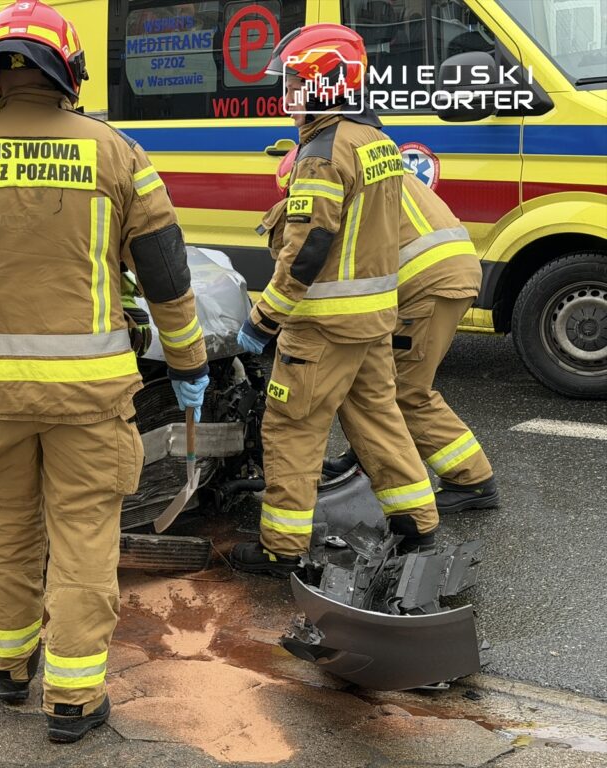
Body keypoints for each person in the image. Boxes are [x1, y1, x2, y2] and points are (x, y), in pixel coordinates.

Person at [0, 0, 208, 744]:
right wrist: (189, 362)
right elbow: (166, 271)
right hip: (90, 394)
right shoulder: (116, 153)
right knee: (82, 536)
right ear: (68, 70)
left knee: (3, 529)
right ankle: (73, 698)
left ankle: (9, 671)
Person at [231, 23, 440, 576]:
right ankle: (417, 523)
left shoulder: (323, 152)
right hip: (371, 320)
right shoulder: (378, 143)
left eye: (298, 81)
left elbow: (307, 249)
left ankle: (283, 549)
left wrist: (263, 317)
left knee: (292, 428)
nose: (289, 93)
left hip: (322, 326)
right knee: (378, 420)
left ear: (327, 84)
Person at [322, 170, 498, 512]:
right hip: (445, 272)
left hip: (427, 283)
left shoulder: (332, 178)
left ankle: (473, 481)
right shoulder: (372, 167)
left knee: (405, 391)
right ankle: (363, 456)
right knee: (380, 380)